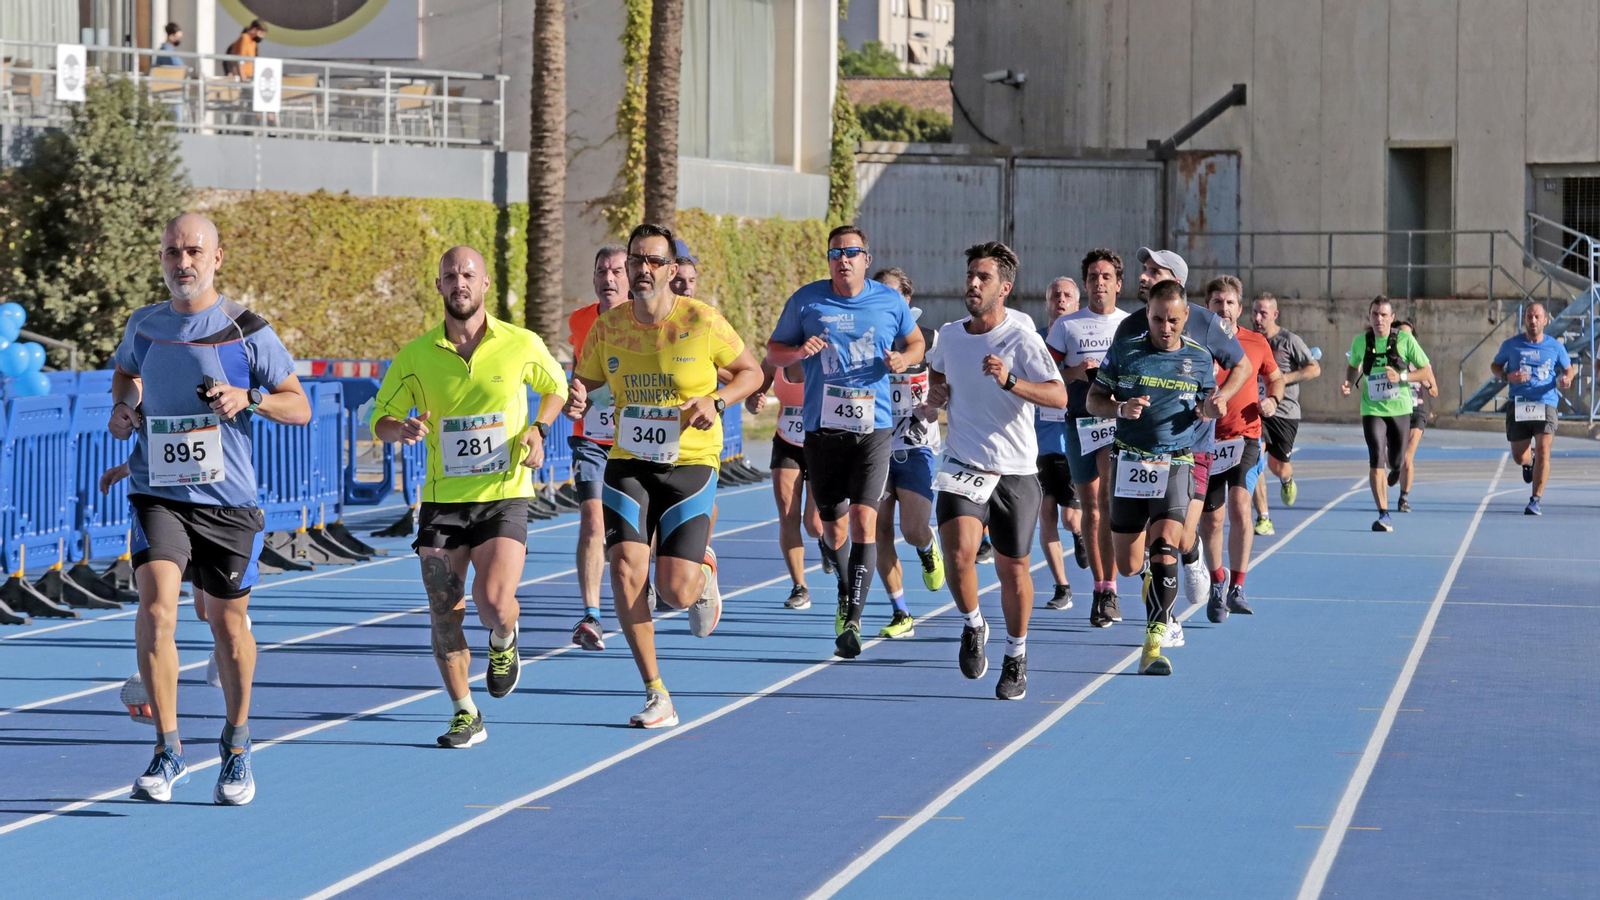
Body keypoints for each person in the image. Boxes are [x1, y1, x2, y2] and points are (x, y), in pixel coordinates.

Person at [110, 212, 309, 805]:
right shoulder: (145, 327)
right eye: (173, 252)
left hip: (228, 503)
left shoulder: (246, 330)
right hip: (158, 493)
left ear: (217, 258)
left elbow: (299, 406)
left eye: (194, 251)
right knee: (158, 607)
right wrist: (123, 410)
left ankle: (237, 744)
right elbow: (125, 376)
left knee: (226, 625)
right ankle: (168, 749)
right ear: (162, 259)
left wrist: (251, 398)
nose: (183, 263)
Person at [372, 247, 566, 748]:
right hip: (443, 500)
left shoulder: (519, 343)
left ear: (484, 286)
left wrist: (540, 429)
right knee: (444, 609)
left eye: (468, 275)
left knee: (495, 601)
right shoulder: (416, 355)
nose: (459, 282)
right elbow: (381, 419)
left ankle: (504, 638)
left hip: (503, 494)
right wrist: (403, 428)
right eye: (450, 275)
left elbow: (557, 386)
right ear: (438, 286)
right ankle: (465, 713)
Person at [570, 222, 762, 728]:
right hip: (629, 461)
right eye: (637, 259)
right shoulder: (608, 327)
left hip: (690, 462)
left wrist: (717, 400)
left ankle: (703, 573)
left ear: (672, 269)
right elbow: (585, 381)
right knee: (626, 570)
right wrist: (576, 394)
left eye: (654, 260)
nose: (643, 268)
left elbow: (752, 372)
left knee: (675, 591)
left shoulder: (702, 320)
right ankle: (657, 693)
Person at [767, 225, 925, 659]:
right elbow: (774, 349)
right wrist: (798, 354)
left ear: (866, 259)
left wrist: (903, 358)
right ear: (829, 259)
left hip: (873, 431)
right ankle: (843, 590)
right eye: (836, 253)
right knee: (830, 527)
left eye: (852, 252)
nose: (844, 259)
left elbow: (916, 342)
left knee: (862, 521)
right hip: (821, 430)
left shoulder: (889, 300)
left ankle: (852, 619)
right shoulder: (807, 300)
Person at [926, 241, 1066, 699]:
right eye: (970, 274)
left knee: (1013, 570)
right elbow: (938, 372)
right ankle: (972, 624)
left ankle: (1016, 654)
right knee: (960, 553)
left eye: (983, 277)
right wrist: (937, 393)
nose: (972, 283)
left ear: (1003, 288)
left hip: (1015, 471)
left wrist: (1010, 380)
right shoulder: (949, 335)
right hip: (963, 462)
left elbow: (1059, 396)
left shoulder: (1021, 338)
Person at [1087, 280, 1220, 676]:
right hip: (1130, 463)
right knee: (1129, 565)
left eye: (1174, 320)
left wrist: (1211, 408)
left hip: (1176, 462)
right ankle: (1149, 582)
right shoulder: (1126, 353)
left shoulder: (1199, 358)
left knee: (1166, 547)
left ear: (1185, 318)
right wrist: (1119, 408)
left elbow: (1209, 404)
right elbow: (1094, 399)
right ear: (1147, 315)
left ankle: (1154, 639)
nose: (1166, 328)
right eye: (1159, 319)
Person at [1044, 250, 1130, 627]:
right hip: (1078, 423)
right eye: (1093, 276)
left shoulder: (1130, 325)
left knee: (1108, 499)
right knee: (1090, 509)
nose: (1099, 282)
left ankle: (1111, 586)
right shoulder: (1067, 326)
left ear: (1117, 284)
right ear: (1085, 284)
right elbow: (1046, 376)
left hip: (1118, 424)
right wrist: (1074, 371)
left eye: (1106, 276)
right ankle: (1101, 589)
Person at [1197, 276, 1284, 624]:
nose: (1224, 308)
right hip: (1205, 440)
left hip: (1245, 437)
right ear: (1208, 307)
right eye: (1217, 302)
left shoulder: (1256, 341)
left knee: (1239, 506)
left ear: (1239, 308)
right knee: (1212, 519)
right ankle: (1217, 580)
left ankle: (1238, 586)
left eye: (1230, 302)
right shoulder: (1196, 342)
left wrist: (1273, 399)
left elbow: (1275, 378)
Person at [865, 267, 945, 639]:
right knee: (879, 530)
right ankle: (901, 612)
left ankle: (927, 547)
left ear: (906, 300)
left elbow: (949, 381)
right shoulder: (865, 338)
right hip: (876, 446)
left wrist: (936, 404)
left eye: (891, 294)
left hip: (916, 446)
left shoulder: (929, 339)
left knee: (913, 530)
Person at [564, 245, 635, 651]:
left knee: (639, 532)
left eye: (616, 271)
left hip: (638, 442)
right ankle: (591, 614)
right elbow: (580, 377)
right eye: (602, 271)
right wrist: (577, 398)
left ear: (629, 279)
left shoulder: (646, 319)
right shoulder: (579, 321)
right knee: (593, 521)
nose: (608, 278)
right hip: (591, 437)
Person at [1341, 296, 1434, 532]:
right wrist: (1348, 384)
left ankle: (1395, 468)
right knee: (1375, 458)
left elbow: (1425, 370)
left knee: (1397, 460)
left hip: (1400, 409)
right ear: (1369, 316)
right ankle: (1384, 514)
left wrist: (1401, 377)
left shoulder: (1405, 340)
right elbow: (1353, 366)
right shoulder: (1360, 342)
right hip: (1372, 408)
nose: (1379, 319)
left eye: (1384, 315)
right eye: (1374, 314)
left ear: (1392, 318)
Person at [747, 358, 825, 608]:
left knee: (814, 524)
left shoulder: (827, 356)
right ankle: (799, 587)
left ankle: (826, 542)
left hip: (822, 442)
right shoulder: (774, 360)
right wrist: (754, 402)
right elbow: (752, 397)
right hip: (786, 443)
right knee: (787, 515)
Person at [1491, 301, 1576, 516]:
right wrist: (1507, 376)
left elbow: (1569, 368)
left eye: (1537, 317)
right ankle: (1529, 463)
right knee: (1520, 456)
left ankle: (1535, 499)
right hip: (1519, 403)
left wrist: (1567, 378)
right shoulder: (1511, 345)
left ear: (1545, 320)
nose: (1533, 320)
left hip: (1546, 402)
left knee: (1544, 449)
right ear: (1525, 320)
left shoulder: (1555, 347)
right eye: (1529, 316)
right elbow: (1495, 366)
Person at [1249, 292, 1320, 534]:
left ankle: (1287, 478)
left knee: (1277, 466)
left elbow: (1314, 368)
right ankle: (1263, 517)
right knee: (1255, 458)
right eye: (1255, 312)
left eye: (1263, 313)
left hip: (1285, 412)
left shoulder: (1289, 341)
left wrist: (1281, 379)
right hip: (1255, 411)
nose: (1257, 318)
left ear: (1275, 315)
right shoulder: (1247, 340)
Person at [1036, 276, 1085, 609]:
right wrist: (1074, 372)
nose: (1061, 300)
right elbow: (1040, 381)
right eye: (1055, 295)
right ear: (1047, 303)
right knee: (1046, 515)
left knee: (1071, 520)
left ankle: (1080, 536)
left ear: (1077, 305)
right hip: (1037, 445)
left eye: (1068, 295)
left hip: (1074, 444)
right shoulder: (1035, 341)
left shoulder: (1083, 341)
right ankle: (1062, 587)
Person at [1394, 320, 1436, 513]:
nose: (1406, 338)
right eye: (1402, 334)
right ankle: (1395, 468)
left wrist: (1426, 383)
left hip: (1416, 411)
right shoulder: (1390, 359)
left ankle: (1404, 498)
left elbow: (1435, 390)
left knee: (1408, 456)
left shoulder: (1420, 362)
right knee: (1393, 458)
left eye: (1409, 335)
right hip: (1395, 411)